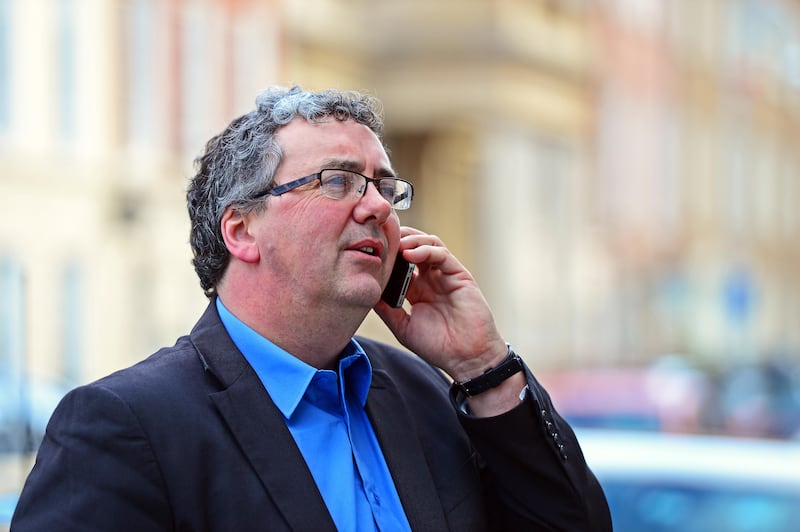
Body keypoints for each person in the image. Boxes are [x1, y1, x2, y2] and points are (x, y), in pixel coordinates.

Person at [11, 86, 611, 531]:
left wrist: (484, 364)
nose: (376, 205)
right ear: (242, 231)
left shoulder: (425, 392)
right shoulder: (123, 427)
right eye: (337, 180)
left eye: (384, 186)